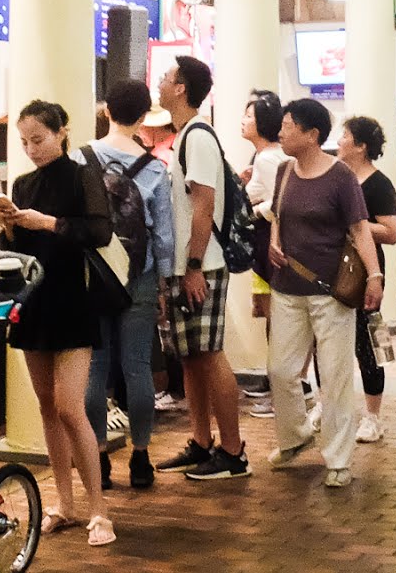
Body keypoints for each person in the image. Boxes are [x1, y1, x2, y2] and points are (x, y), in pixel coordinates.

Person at [0, 100, 115, 546]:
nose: (31, 149)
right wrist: (7, 226)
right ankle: (64, 503)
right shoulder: (23, 183)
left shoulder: (82, 175)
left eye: (38, 140)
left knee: (69, 407)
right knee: (46, 406)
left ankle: (99, 510)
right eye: (24, 142)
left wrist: (48, 222)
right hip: (33, 299)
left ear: (61, 132)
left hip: (71, 298)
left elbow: (99, 231)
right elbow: (14, 247)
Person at [263, 100, 384, 488]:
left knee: (333, 375)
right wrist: (274, 240)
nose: (280, 133)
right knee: (281, 370)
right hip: (287, 288)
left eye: (287, 126)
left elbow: (361, 230)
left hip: (331, 291)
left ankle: (338, 458)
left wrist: (375, 276)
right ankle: (296, 437)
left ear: (312, 134)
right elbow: (278, 216)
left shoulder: (341, 177)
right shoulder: (284, 171)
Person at [152, 56, 250, 481]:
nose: (159, 81)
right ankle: (202, 442)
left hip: (202, 265)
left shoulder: (198, 138)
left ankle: (233, 453)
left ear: (181, 88)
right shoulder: (185, 137)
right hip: (186, 265)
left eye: (167, 76)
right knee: (191, 358)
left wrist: (192, 265)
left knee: (209, 356)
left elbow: (204, 204)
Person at [84, 80, 176, 490]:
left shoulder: (82, 158)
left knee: (95, 369)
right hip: (138, 275)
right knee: (137, 366)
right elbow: (164, 237)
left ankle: (99, 457)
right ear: (143, 117)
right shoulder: (156, 167)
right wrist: (163, 283)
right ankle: (140, 458)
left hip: (94, 275)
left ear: (106, 111)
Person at [334, 115, 396, 442]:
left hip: (366, 270)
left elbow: (391, 233)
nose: (339, 141)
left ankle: (373, 416)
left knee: (370, 341)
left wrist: (356, 223)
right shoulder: (336, 176)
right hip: (334, 267)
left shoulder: (379, 184)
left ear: (361, 146)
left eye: (344, 136)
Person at [240, 89, 289, 418]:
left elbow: (281, 199)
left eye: (249, 116)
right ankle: (278, 386)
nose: (243, 121)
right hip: (264, 246)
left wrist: (253, 212)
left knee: (281, 320)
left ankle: (285, 391)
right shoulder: (264, 157)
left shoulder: (269, 157)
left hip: (271, 244)